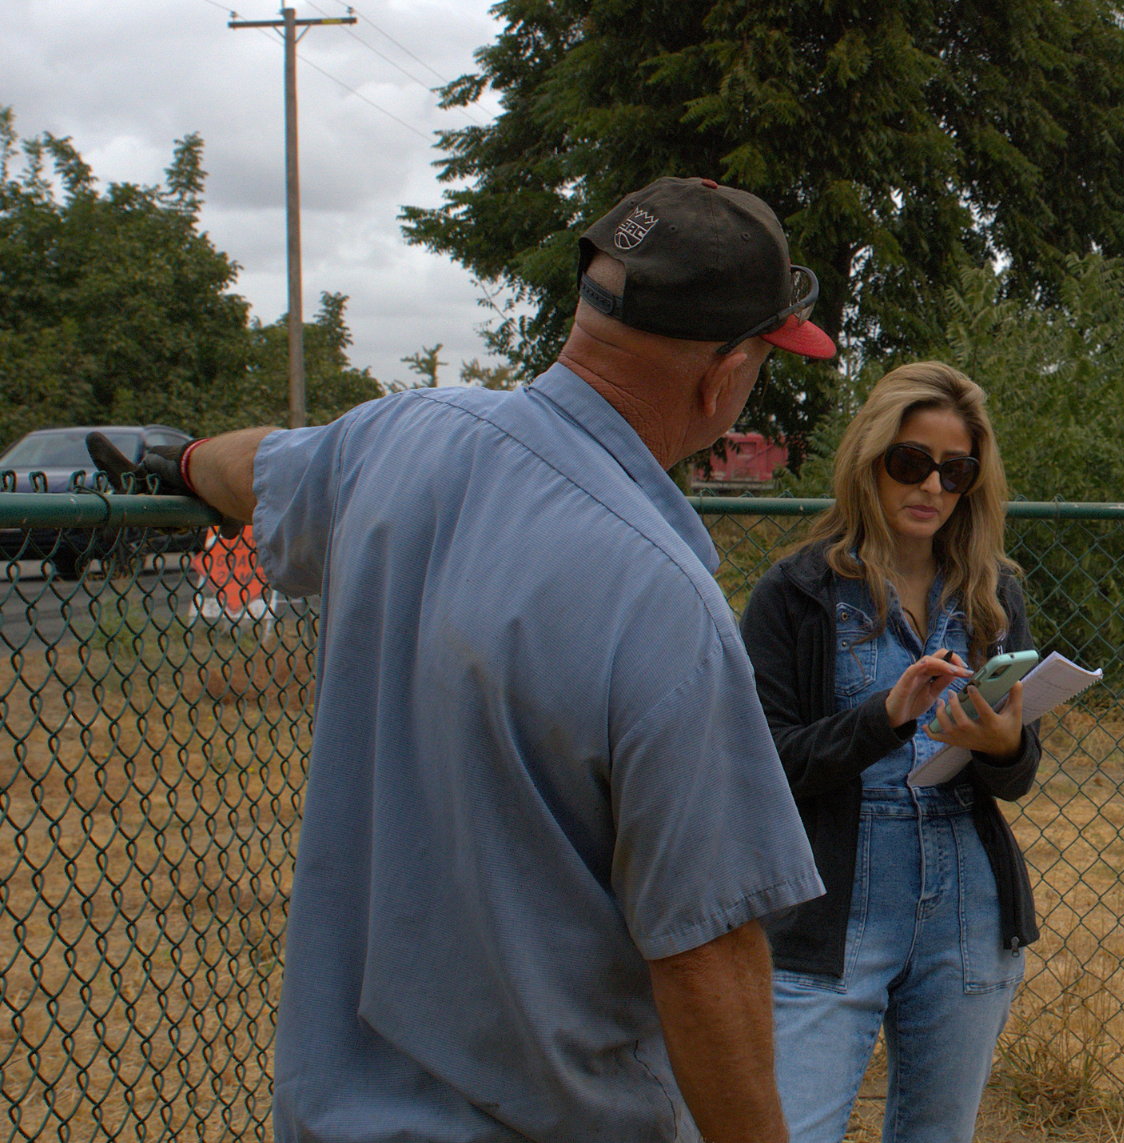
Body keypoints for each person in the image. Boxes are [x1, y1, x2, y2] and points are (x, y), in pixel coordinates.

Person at [89, 176, 834, 1143]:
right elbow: (706, 953)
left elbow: (253, 465)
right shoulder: (665, 602)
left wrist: (180, 462)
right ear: (723, 373)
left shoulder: (397, 438)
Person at [739, 362, 1040, 1143]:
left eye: (955, 470)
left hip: (967, 907)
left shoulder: (993, 595)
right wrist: (885, 716)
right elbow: (762, 763)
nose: (931, 486)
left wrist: (1004, 744)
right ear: (869, 460)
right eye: (910, 461)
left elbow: (1021, 772)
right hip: (829, 906)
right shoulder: (795, 593)